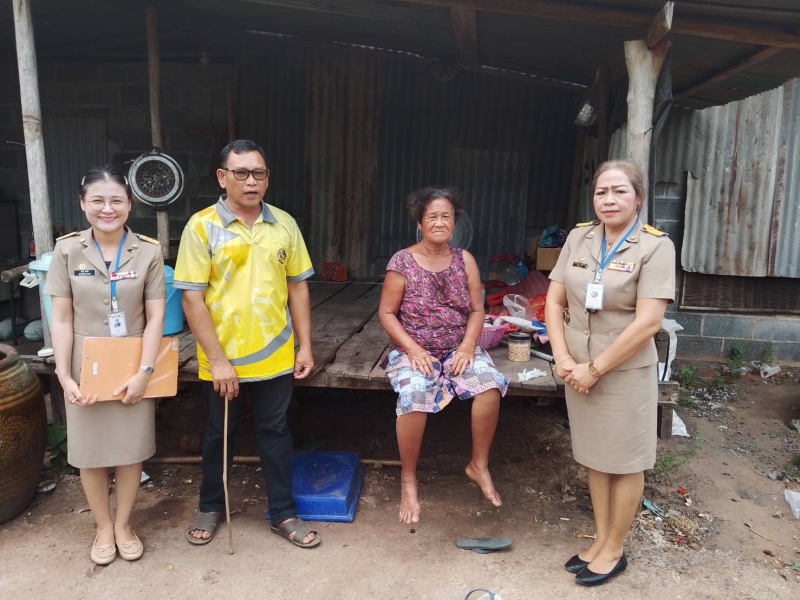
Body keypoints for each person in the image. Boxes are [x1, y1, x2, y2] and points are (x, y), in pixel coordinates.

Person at [174, 139, 319, 548]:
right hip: (223, 357)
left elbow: (298, 287)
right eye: (241, 173)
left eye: (259, 173)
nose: (251, 181)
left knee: (275, 432)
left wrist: (305, 346)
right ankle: (210, 506)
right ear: (222, 177)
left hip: (275, 352)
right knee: (219, 433)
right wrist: (218, 360)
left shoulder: (284, 224)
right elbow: (191, 298)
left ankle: (283, 513)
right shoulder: (201, 226)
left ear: (267, 178)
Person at [545, 160, 676, 587]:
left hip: (621, 373)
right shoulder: (579, 238)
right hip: (577, 369)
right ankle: (601, 540)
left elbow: (648, 323)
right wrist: (563, 358)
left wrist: (595, 368)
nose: (609, 199)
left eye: (620, 191)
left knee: (625, 461)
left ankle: (615, 549)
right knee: (595, 457)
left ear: (638, 198)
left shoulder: (655, 247)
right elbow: (554, 302)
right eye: (602, 192)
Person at [47, 166, 166, 565]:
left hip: (133, 357)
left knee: (131, 448)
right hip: (84, 361)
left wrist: (144, 372)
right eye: (97, 200)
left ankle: (124, 524)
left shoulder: (148, 251)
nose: (107, 209)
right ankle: (102, 526)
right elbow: (61, 318)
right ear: (83, 204)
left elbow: (156, 317)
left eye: (116, 200)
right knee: (89, 450)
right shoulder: (67, 251)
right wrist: (64, 374)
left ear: (129, 205)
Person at [378, 187, 509, 525]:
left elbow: (478, 309)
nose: (440, 222)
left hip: (457, 346)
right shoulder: (401, 262)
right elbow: (387, 314)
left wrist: (467, 346)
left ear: (455, 222)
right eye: (432, 217)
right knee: (414, 395)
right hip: (414, 349)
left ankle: (478, 464)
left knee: (490, 385)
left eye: (446, 216)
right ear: (419, 223)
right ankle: (408, 479)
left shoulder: (465, 259)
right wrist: (413, 349)